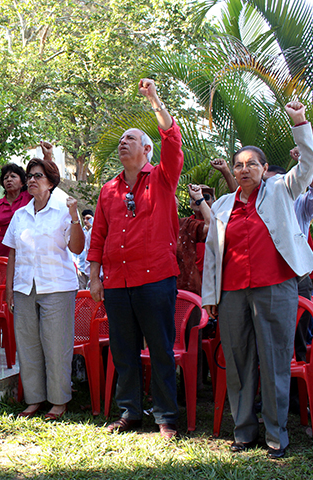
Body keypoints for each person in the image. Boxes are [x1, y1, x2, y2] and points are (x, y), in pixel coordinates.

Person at [202, 101, 313, 459]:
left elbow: (309, 165)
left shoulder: (282, 189)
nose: (244, 169)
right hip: (232, 293)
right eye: (239, 165)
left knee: (274, 361)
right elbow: (212, 254)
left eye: (252, 163)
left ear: (264, 169)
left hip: (275, 287)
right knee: (238, 363)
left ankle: (276, 436)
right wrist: (210, 297)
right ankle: (243, 432)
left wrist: (299, 121)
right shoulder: (222, 205)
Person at [88, 78, 183, 440]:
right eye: (121, 140)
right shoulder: (108, 190)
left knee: (160, 349)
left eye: (130, 139)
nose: (122, 143)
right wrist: (94, 277)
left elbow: (172, 140)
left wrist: (154, 99)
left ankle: (166, 417)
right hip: (116, 282)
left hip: (156, 278)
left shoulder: (162, 178)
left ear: (146, 149)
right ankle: (129, 412)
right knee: (123, 350)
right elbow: (98, 236)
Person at [3, 154, 85, 420]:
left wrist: (75, 217)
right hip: (24, 288)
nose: (31, 180)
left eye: (38, 176)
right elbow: (12, 253)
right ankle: (34, 399)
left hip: (57, 286)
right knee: (28, 345)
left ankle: (59, 401)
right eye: (29, 176)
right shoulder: (20, 215)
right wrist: (9, 289)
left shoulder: (63, 211)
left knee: (56, 345)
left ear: (51, 182)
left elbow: (77, 248)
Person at [264, 147, 313, 411]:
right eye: (265, 184)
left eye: (274, 183)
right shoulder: (255, 206)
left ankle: (296, 400)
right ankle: (267, 399)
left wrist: (308, 160)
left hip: (297, 277)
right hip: (266, 277)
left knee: (297, 339)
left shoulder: (299, 204)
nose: (269, 188)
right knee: (267, 341)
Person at [177, 184, 214, 295]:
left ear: (214, 201)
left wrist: (199, 198)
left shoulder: (222, 221)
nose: (197, 201)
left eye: (206, 197)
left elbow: (212, 227)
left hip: (212, 281)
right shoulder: (184, 225)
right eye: (193, 199)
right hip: (188, 284)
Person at [0, 162, 31, 257]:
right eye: (5, 178)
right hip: (2, 253)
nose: (9, 179)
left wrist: (47, 157)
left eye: (13, 176)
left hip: (26, 252)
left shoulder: (30, 197)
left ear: (22, 182)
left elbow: (47, 187)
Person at [73, 208, 94, 289]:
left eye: (88, 218)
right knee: (81, 290)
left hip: (92, 267)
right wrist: (76, 265)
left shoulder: (96, 232)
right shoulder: (81, 232)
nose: (85, 221)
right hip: (81, 266)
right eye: (84, 218)